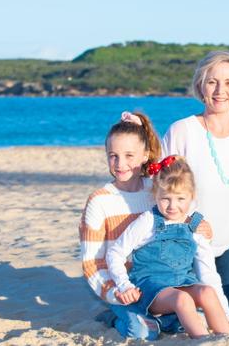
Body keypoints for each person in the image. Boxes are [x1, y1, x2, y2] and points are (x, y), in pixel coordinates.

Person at [79, 112, 220, 340]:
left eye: (129, 155)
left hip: (161, 281)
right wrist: (117, 292)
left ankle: (164, 318)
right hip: (123, 286)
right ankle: (115, 316)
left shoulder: (156, 190)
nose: (120, 164)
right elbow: (92, 264)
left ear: (145, 155)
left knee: (189, 315)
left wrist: (202, 227)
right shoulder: (99, 201)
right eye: (113, 156)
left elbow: (181, 215)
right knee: (142, 332)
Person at [162, 50, 229, 322]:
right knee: (184, 308)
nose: (220, 90)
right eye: (212, 81)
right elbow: (162, 191)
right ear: (200, 86)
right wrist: (191, 221)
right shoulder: (181, 131)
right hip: (189, 239)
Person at [106, 155, 229, 338]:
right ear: (155, 194)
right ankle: (203, 341)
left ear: (192, 196)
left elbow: (208, 271)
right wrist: (125, 286)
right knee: (182, 300)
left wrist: (227, 312)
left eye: (181, 199)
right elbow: (115, 253)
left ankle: (225, 338)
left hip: (182, 284)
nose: (173, 206)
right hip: (150, 289)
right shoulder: (148, 221)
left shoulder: (196, 226)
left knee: (207, 291)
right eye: (165, 198)